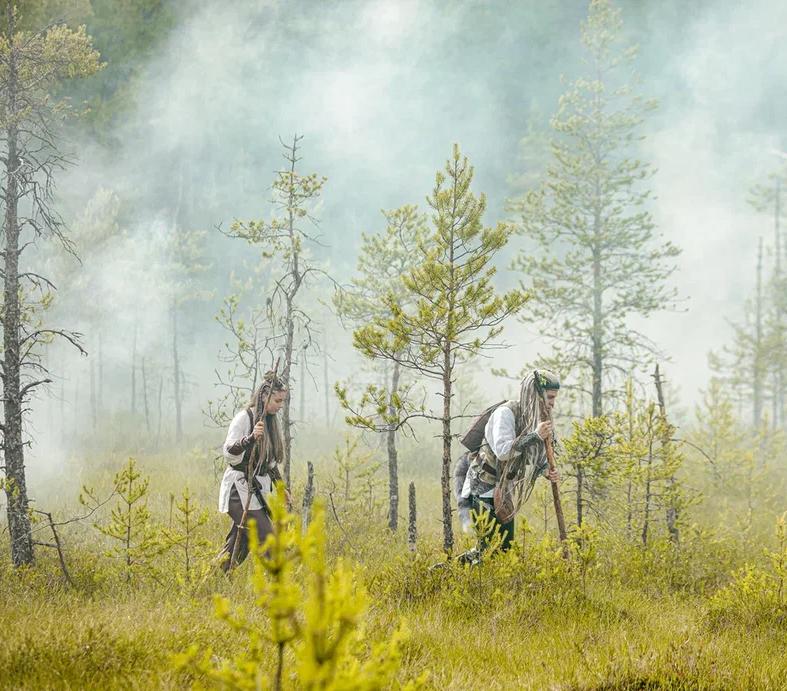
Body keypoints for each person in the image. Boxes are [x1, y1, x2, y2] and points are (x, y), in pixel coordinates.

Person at [459, 369, 560, 553]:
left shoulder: (535, 420)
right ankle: (445, 573)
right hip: (483, 485)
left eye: (554, 398)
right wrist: (535, 435)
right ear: (536, 395)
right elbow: (504, 451)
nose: (552, 403)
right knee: (486, 551)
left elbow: (536, 456)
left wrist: (546, 469)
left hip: (504, 491)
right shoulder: (506, 413)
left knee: (506, 549)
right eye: (550, 397)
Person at [218, 371, 287, 570]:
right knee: (266, 538)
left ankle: (213, 578)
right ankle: (279, 587)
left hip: (255, 490)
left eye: (282, 401)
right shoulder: (244, 418)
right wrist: (250, 439)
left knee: (239, 545)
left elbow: (271, 462)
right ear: (264, 396)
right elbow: (229, 450)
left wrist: (281, 488)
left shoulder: (271, 422)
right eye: (277, 400)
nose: (280, 405)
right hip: (237, 489)